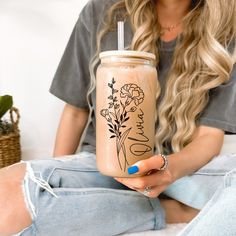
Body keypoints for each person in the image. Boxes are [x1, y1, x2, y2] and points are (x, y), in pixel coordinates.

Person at [0, 0, 236, 235]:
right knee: (6, 194)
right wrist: (60, 179)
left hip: (184, 168)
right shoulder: (102, 11)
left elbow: (209, 135)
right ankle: (168, 211)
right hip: (106, 163)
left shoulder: (226, 25)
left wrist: (169, 170)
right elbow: (75, 111)